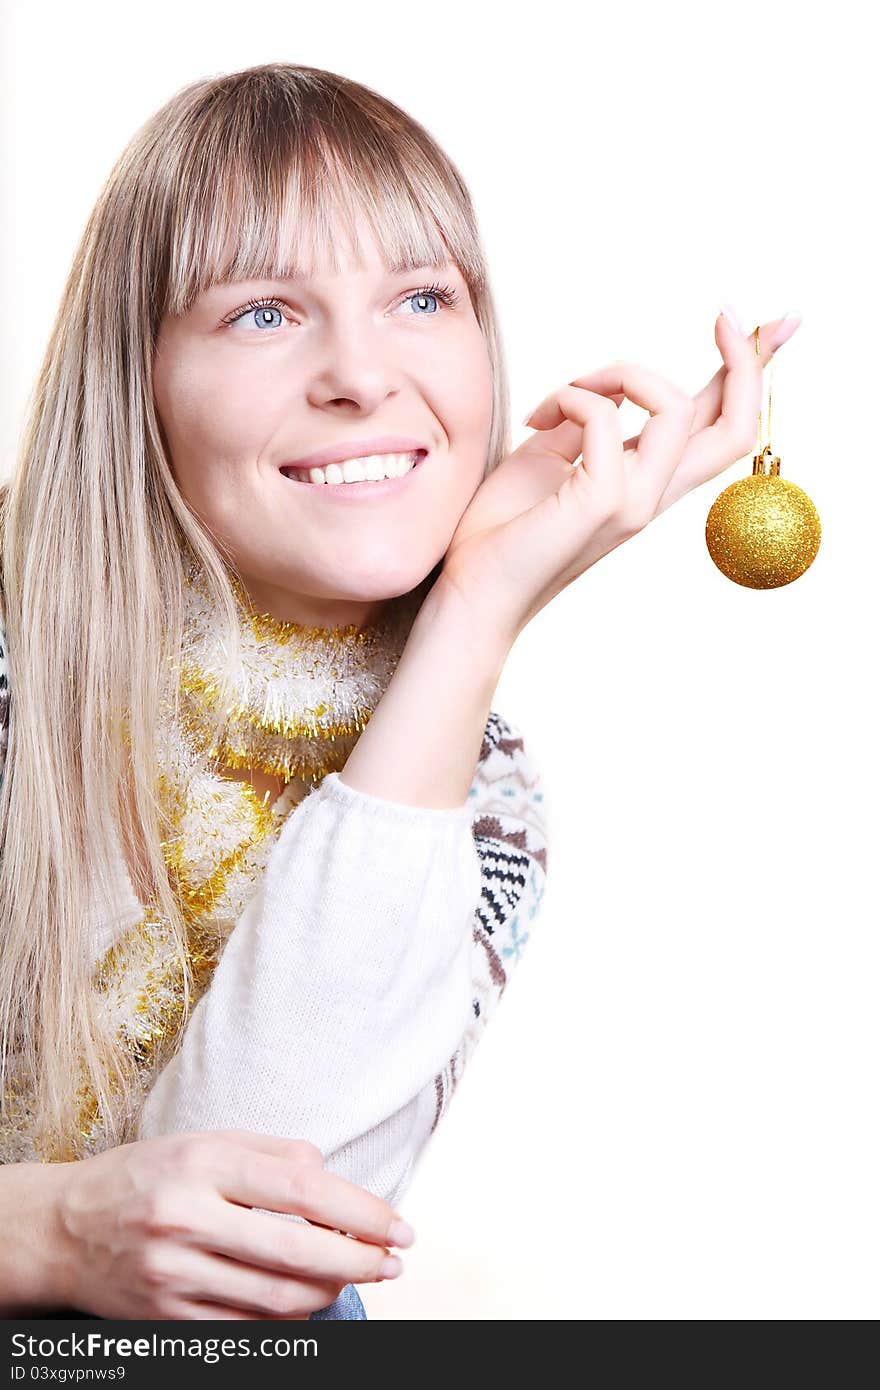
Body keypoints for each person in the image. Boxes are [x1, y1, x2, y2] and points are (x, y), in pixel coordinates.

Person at [0, 61, 800, 1322]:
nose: (362, 378)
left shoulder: (480, 787)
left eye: (421, 296)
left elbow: (259, 1254)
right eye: (263, 311)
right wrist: (34, 1230)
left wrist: (474, 618)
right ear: (137, 379)